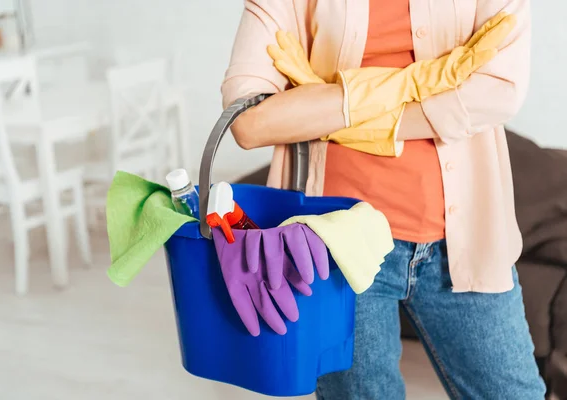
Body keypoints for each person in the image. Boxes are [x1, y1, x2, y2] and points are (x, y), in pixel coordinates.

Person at [221, 0, 546, 399]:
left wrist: (327, 103)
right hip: (333, 251)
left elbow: (499, 93)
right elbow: (249, 121)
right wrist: (414, 84)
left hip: (463, 244)